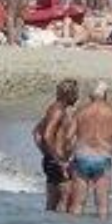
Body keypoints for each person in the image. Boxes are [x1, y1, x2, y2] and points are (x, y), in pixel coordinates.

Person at [65, 82, 112, 220]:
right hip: (102, 158)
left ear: (90, 96)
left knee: (77, 205)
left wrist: (68, 158)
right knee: (103, 206)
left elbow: (68, 137)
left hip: (82, 156)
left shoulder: (81, 111)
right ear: (106, 95)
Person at [37, 79, 79, 212]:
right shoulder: (58, 111)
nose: (77, 97)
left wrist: (46, 154)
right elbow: (46, 135)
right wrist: (58, 160)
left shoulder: (54, 108)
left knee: (51, 205)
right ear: (68, 94)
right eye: (75, 93)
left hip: (52, 160)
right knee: (66, 203)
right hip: (58, 162)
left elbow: (36, 133)